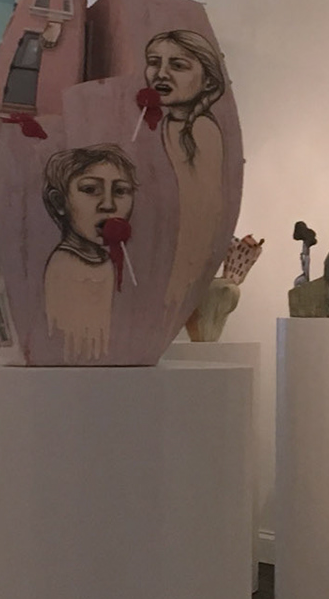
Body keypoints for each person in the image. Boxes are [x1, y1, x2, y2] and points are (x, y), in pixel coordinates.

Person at [145, 29, 229, 317]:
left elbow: (202, 214)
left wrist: (180, 282)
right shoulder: (169, 124)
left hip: (183, 265)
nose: (161, 74)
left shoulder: (201, 130)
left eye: (178, 65)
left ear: (208, 81)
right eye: (154, 62)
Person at [41, 143, 138, 363]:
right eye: (90, 189)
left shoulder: (104, 262)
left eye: (120, 191)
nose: (108, 205)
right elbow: (71, 348)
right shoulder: (66, 266)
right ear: (59, 202)